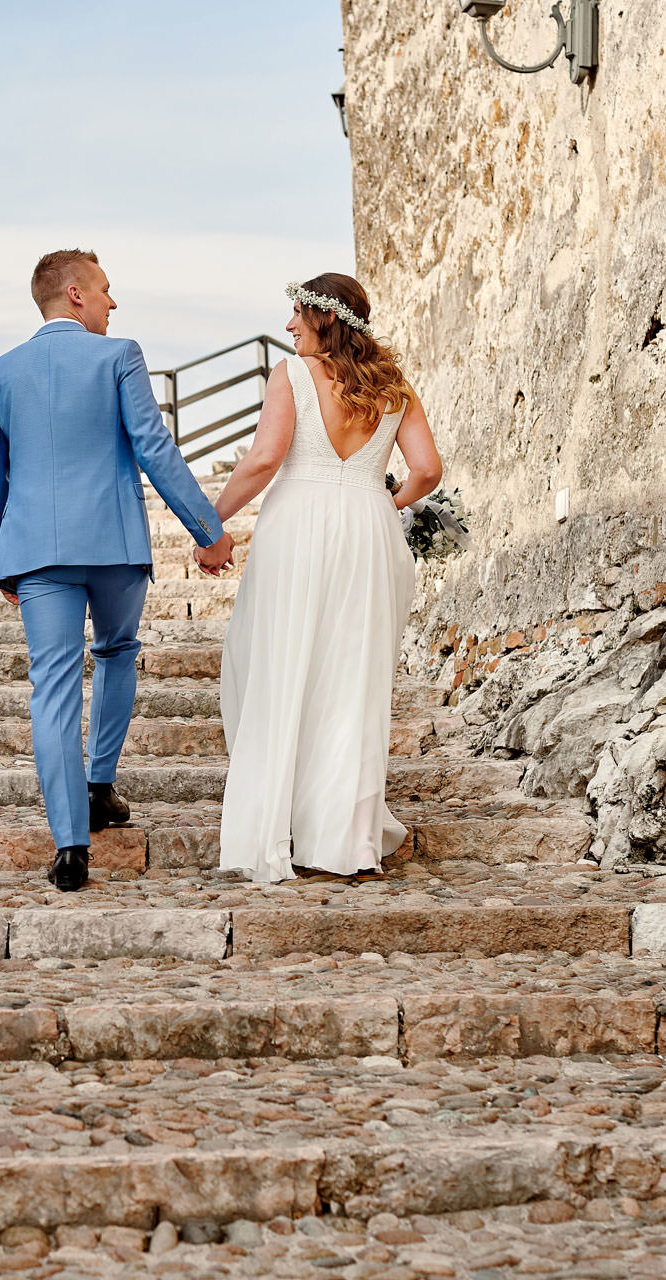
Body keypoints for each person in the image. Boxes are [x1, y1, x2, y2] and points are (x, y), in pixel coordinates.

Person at [0, 249, 237, 891]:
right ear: (75, 296)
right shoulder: (120, 357)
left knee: (53, 687)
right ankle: (99, 786)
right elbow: (153, 446)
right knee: (117, 651)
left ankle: (70, 848)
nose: (115, 303)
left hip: (36, 553)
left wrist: (0, 560)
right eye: (107, 290)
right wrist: (209, 528)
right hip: (114, 546)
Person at [210, 273, 443, 882]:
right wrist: (383, 504)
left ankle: (277, 824)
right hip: (369, 528)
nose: (288, 327)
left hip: (299, 525)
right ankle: (344, 842)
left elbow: (263, 459)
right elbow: (426, 470)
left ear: (326, 319)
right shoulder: (394, 385)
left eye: (297, 317)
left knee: (279, 665)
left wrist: (209, 522)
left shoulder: (290, 377)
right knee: (352, 680)